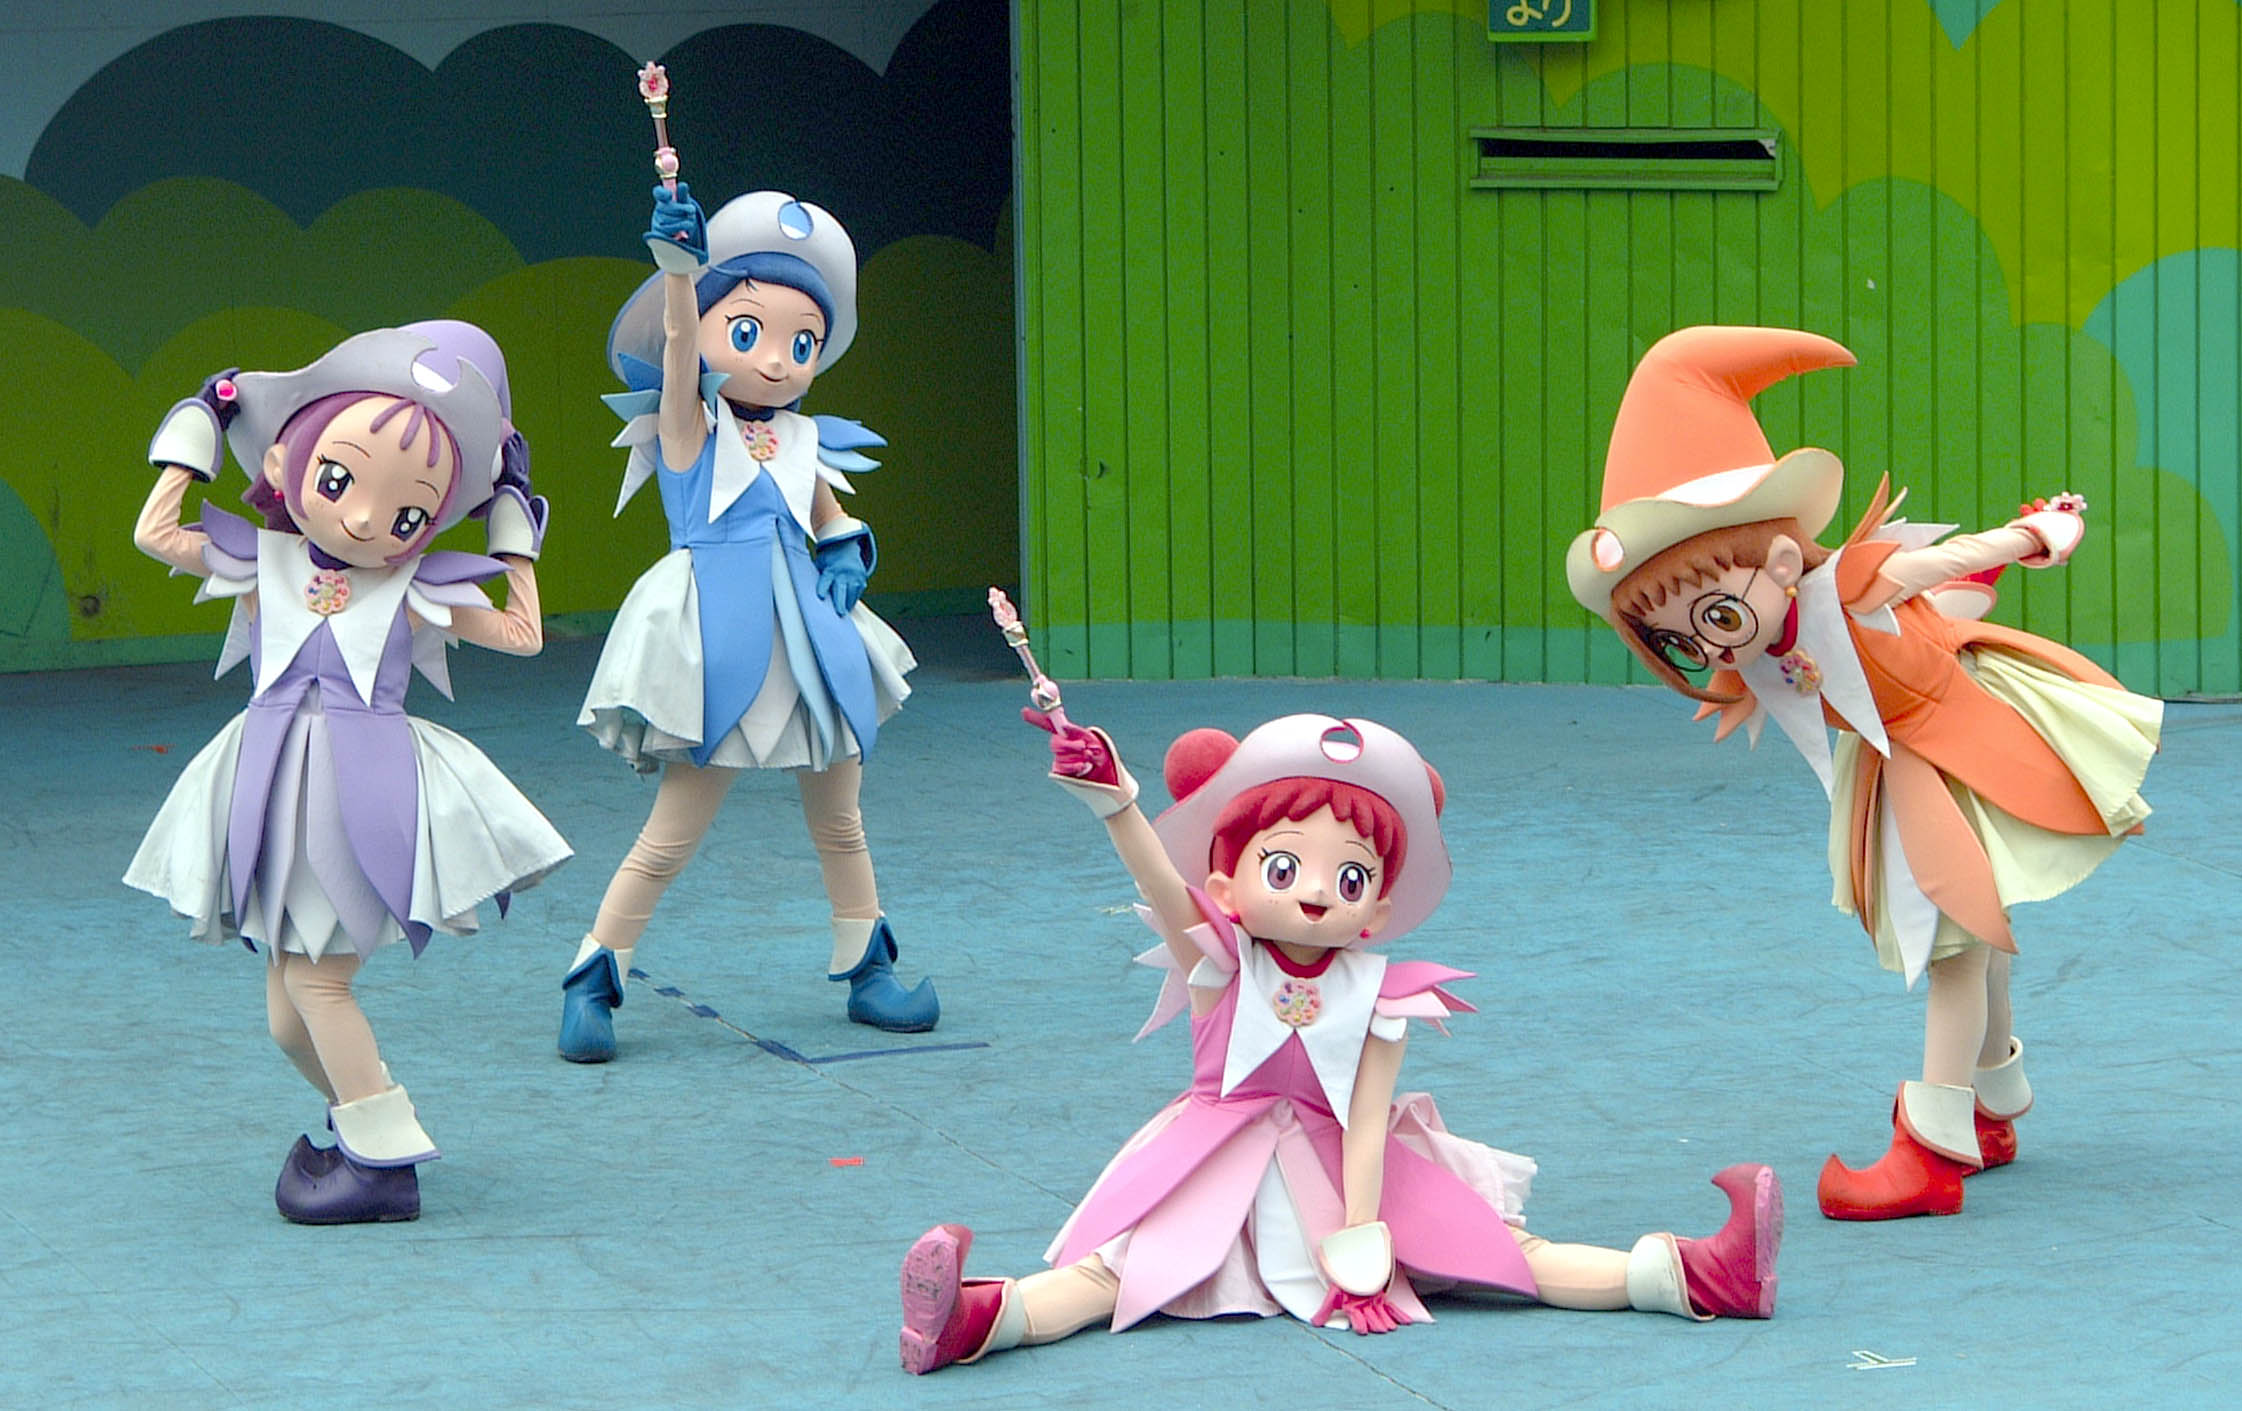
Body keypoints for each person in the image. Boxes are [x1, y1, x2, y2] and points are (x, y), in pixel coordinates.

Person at [898, 711, 1779, 1373]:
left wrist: (1362, 1230)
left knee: (1508, 1251)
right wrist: (1118, 802)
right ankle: (974, 1319)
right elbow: (1162, 887)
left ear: (1378, 907)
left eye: (1349, 875)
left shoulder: (1384, 993)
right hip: (1213, 1162)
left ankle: (1701, 1273)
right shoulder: (1219, 963)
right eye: (1285, 866)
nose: (1317, 891)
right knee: (1110, 1274)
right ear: (1227, 886)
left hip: (1345, 1170)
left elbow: (1366, 1119)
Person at [1565, 325, 2161, 1220]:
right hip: (1900, 757)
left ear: (1778, 562)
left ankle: (1932, 1150)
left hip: (1950, 741)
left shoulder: (1844, 586)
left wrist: (2032, 533)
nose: (1708, 647)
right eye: (1680, 638)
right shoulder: (1757, 652)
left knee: (1954, 934)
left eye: (1715, 615)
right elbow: (1923, 609)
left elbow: (1935, 568)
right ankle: (1991, 1100)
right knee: (1977, 929)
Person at [126, 321, 569, 1223]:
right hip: (268, 779)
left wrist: (513, 527)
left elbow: (523, 635)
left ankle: (384, 1164)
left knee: (318, 985)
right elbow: (154, 531)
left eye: (408, 515)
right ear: (283, 462)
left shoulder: (414, 587)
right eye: (340, 479)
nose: (367, 519)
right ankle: (370, 1118)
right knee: (286, 1014)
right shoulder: (267, 560)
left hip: (360, 786)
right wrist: (198, 427)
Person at [557, 183, 936, 1060]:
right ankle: (593, 976)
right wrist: (679, 272)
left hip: (809, 637)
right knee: (671, 833)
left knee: (841, 818)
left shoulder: (802, 440)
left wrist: (844, 550)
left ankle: (869, 967)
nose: (777, 361)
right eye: (750, 331)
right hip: (720, 641)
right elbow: (678, 346)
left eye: (802, 343)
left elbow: (831, 516)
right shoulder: (689, 426)